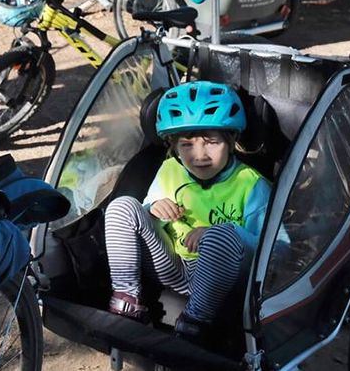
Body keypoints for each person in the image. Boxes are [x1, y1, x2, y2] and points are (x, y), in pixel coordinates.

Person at [103, 81, 271, 345]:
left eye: (211, 142)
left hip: (224, 279)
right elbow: (146, 210)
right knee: (122, 206)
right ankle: (127, 297)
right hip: (174, 266)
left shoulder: (252, 184)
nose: (199, 155)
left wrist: (218, 234)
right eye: (187, 145)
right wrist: (153, 208)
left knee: (222, 236)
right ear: (173, 144)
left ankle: (195, 320)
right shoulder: (170, 170)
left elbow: (273, 250)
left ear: (231, 139)